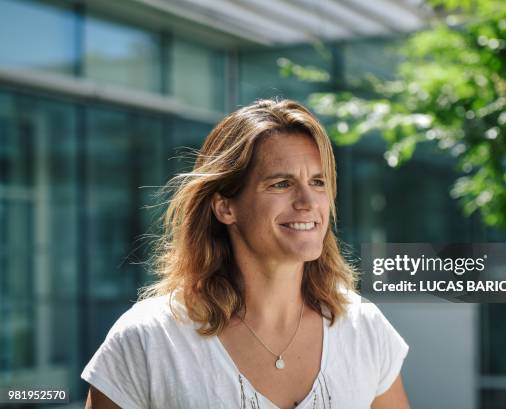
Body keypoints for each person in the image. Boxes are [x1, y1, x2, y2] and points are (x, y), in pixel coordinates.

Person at [82, 99, 411, 409]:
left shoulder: (364, 329)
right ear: (225, 207)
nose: (308, 202)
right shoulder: (150, 339)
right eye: (281, 184)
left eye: (318, 182)